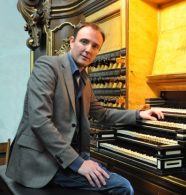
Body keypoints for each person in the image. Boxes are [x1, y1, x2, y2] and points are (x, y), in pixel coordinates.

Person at [6, 22, 164, 194]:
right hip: (41, 161)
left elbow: (102, 114)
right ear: (72, 41)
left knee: (115, 178)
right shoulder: (48, 66)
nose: (89, 49)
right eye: (84, 42)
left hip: (68, 155)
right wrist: (78, 164)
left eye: (95, 46)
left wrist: (139, 115)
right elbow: (40, 121)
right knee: (122, 187)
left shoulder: (84, 80)